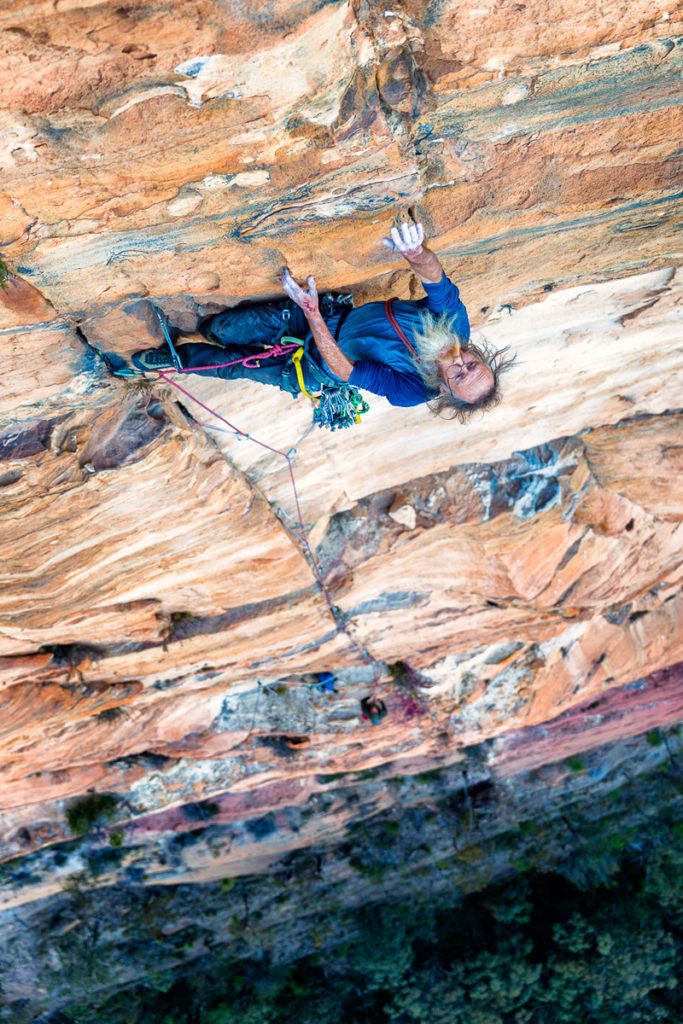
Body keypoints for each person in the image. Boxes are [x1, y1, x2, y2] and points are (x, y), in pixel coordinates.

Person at [132, 218, 514, 420]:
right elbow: (435, 279)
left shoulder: (413, 390)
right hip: (333, 320)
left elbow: (348, 372)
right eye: (473, 363)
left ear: (445, 391)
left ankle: (177, 361)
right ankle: (209, 338)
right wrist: (415, 253)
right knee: (220, 329)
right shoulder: (456, 329)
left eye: (459, 375)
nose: (461, 363)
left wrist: (310, 311)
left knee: (235, 367)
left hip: (320, 363)